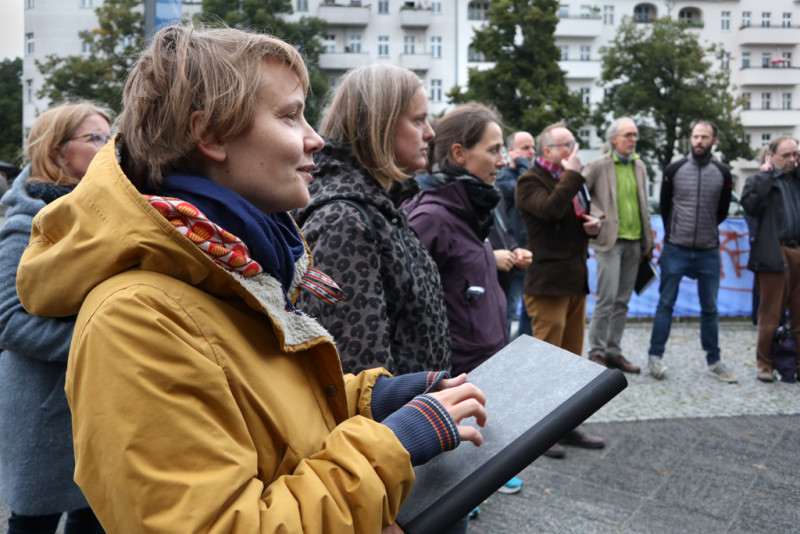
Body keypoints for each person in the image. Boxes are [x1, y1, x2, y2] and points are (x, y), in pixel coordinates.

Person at [15, 25, 487, 532]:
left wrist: (373, 400)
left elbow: (268, 420)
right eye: (289, 115)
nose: (316, 138)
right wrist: (391, 446)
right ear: (209, 134)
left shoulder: (229, 269)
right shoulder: (136, 317)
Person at [293, 64, 451, 377]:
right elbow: (357, 372)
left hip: (419, 415)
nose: (431, 133)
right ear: (381, 125)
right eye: (419, 120)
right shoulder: (345, 220)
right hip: (397, 424)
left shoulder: (382, 204)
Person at [0, 103, 110, 534]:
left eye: (109, 137)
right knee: (34, 525)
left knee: (98, 518)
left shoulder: (103, 214)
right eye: (94, 139)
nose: (107, 149)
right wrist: (103, 341)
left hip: (97, 404)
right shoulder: (25, 222)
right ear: (58, 151)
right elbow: (8, 321)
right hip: (43, 409)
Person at [404, 102, 525, 494]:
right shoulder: (432, 217)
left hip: (484, 369)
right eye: (493, 150)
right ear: (459, 154)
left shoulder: (472, 209)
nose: (503, 161)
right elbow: (410, 312)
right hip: (456, 377)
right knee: (451, 500)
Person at [515, 121, 605, 458]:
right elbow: (550, 210)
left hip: (574, 280)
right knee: (545, 361)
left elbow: (574, 214)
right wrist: (574, 174)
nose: (574, 149)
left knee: (570, 362)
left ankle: (567, 425)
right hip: (547, 284)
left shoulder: (568, 178)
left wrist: (594, 224)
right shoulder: (529, 181)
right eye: (567, 143)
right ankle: (540, 431)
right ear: (547, 150)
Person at [647, 121, 737, 383]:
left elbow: (721, 211)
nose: (699, 141)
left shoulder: (723, 172)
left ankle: (714, 360)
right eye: (696, 136)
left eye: (704, 137)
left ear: (713, 141)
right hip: (676, 249)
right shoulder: (674, 169)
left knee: (710, 307)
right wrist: (675, 234)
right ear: (690, 139)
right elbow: (665, 207)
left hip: (708, 250)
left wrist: (706, 231)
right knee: (665, 304)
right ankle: (655, 357)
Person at [584, 118, 653, 374]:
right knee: (607, 298)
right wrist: (597, 215)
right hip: (608, 243)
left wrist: (649, 242)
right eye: (627, 135)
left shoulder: (640, 166)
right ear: (614, 139)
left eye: (635, 135)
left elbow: (643, 205)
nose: (633, 139)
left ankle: (613, 352)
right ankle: (596, 352)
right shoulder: (598, 165)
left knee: (622, 301)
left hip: (636, 242)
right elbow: (579, 194)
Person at [741, 136, 800, 382]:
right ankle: (764, 363)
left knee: (799, 316)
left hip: (798, 251)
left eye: (796, 154)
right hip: (773, 253)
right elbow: (750, 207)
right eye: (786, 155)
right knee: (770, 315)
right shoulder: (757, 180)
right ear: (771, 156)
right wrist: (767, 176)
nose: (792, 160)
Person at [496, 131, 535, 337]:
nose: (531, 152)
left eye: (533, 147)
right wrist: (522, 166)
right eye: (525, 148)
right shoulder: (502, 177)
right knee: (508, 309)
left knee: (531, 310)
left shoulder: (527, 174)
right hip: (512, 254)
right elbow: (525, 193)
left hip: (530, 252)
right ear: (511, 151)